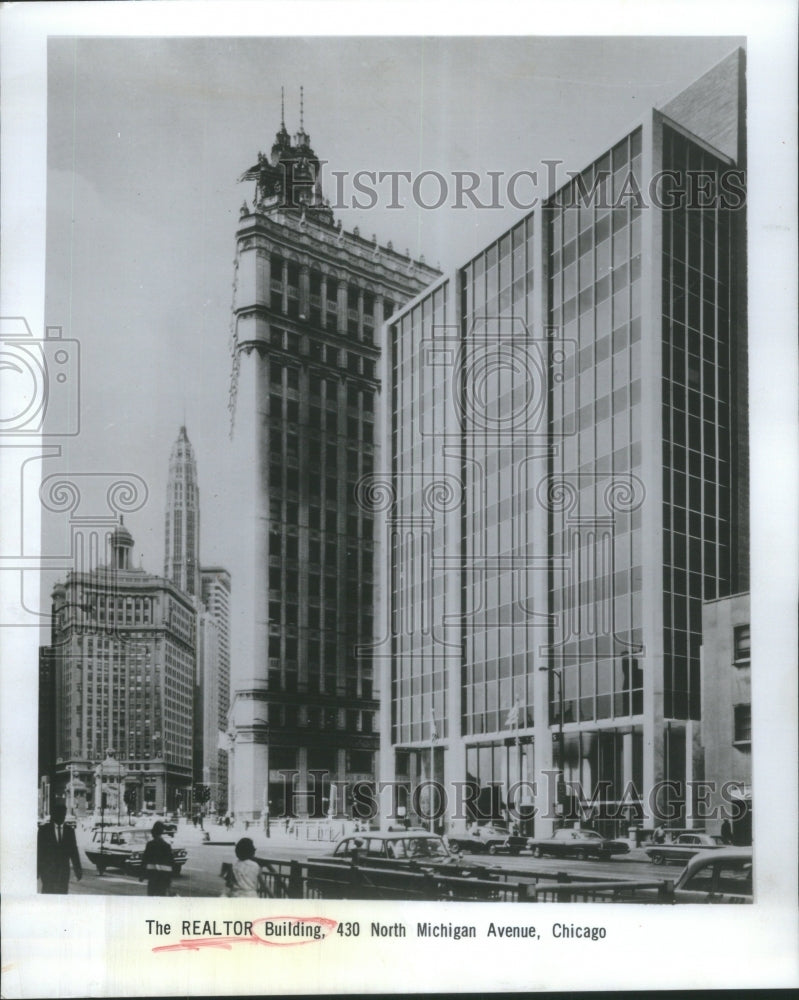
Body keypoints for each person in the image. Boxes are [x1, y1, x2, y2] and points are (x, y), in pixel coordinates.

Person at [37, 802, 82, 894]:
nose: (62, 817)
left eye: (63, 814)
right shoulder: (44, 830)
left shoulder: (69, 831)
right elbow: (39, 852)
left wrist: (78, 869)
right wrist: (37, 870)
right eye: (60, 814)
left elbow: (74, 851)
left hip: (63, 873)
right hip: (48, 873)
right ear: (53, 815)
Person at [140, 821, 174, 896]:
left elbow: (145, 860)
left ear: (153, 833)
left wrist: (142, 874)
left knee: (151, 898)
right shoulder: (167, 846)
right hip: (163, 877)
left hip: (152, 877)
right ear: (161, 833)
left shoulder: (150, 845)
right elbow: (171, 863)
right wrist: (169, 881)